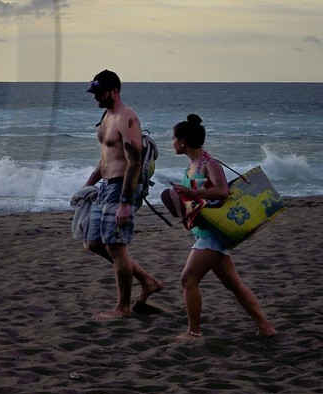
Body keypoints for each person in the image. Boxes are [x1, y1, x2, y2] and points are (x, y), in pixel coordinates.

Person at [167, 114, 277, 338]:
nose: (171, 142)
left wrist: (191, 193)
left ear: (183, 141)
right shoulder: (191, 167)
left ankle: (193, 332)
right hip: (205, 230)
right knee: (233, 284)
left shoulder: (210, 164)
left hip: (215, 232)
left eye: (173, 138)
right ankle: (265, 327)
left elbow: (222, 191)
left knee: (188, 279)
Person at [81, 70, 163, 320]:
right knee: (93, 243)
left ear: (114, 91)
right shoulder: (106, 117)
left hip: (121, 188)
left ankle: (123, 307)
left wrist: (126, 203)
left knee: (116, 247)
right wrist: (87, 186)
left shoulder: (128, 119)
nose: (96, 98)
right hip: (105, 186)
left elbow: (134, 162)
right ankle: (147, 281)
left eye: (100, 93)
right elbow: (105, 158)